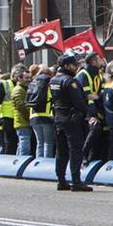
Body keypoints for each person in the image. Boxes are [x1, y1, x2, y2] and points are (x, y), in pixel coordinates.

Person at [48, 57, 94, 191]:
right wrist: (89, 112)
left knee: (61, 152)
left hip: (58, 119)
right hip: (71, 119)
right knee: (75, 150)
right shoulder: (70, 81)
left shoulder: (54, 80)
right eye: (75, 65)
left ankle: (61, 180)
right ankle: (76, 181)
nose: (77, 67)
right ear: (67, 66)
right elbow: (78, 102)